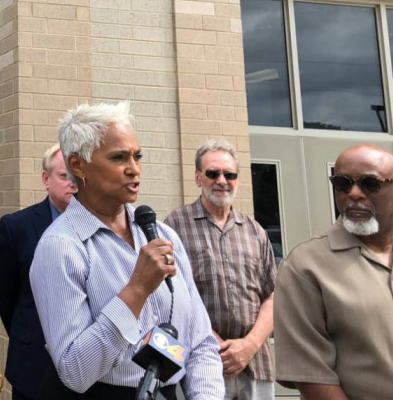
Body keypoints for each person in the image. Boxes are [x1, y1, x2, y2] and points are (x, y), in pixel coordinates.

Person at [29, 101, 224, 400]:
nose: (133, 168)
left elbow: (200, 342)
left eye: (137, 156)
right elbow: (74, 371)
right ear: (79, 165)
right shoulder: (60, 247)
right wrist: (136, 290)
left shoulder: (161, 233)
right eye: (119, 157)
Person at [274, 144, 393, 400]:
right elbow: (312, 377)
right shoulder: (305, 266)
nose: (354, 193)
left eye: (370, 183)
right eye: (342, 183)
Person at [164, 140, 276, 400]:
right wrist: (213, 342)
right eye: (213, 173)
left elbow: (272, 295)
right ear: (197, 177)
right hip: (200, 363)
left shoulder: (254, 230)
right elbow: (170, 294)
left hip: (255, 364)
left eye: (230, 174)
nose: (222, 180)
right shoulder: (175, 226)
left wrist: (249, 345)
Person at [0, 143, 77, 400]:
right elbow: (4, 294)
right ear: (45, 179)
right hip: (33, 364)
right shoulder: (16, 227)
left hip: (86, 366)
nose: (72, 184)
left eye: (76, 176)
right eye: (64, 176)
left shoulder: (96, 226)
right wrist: (27, 333)